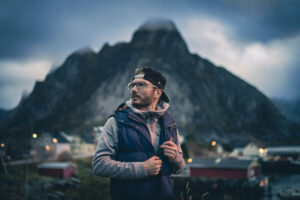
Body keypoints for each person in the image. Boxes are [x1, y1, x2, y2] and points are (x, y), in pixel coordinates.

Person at [92, 67, 185, 200]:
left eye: (141, 85)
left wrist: (175, 158)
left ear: (157, 93)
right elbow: (99, 165)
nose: (134, 89)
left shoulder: (170, 125)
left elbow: (180, 168)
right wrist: (142, 168)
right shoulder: (116, 122)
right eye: (133, 85)